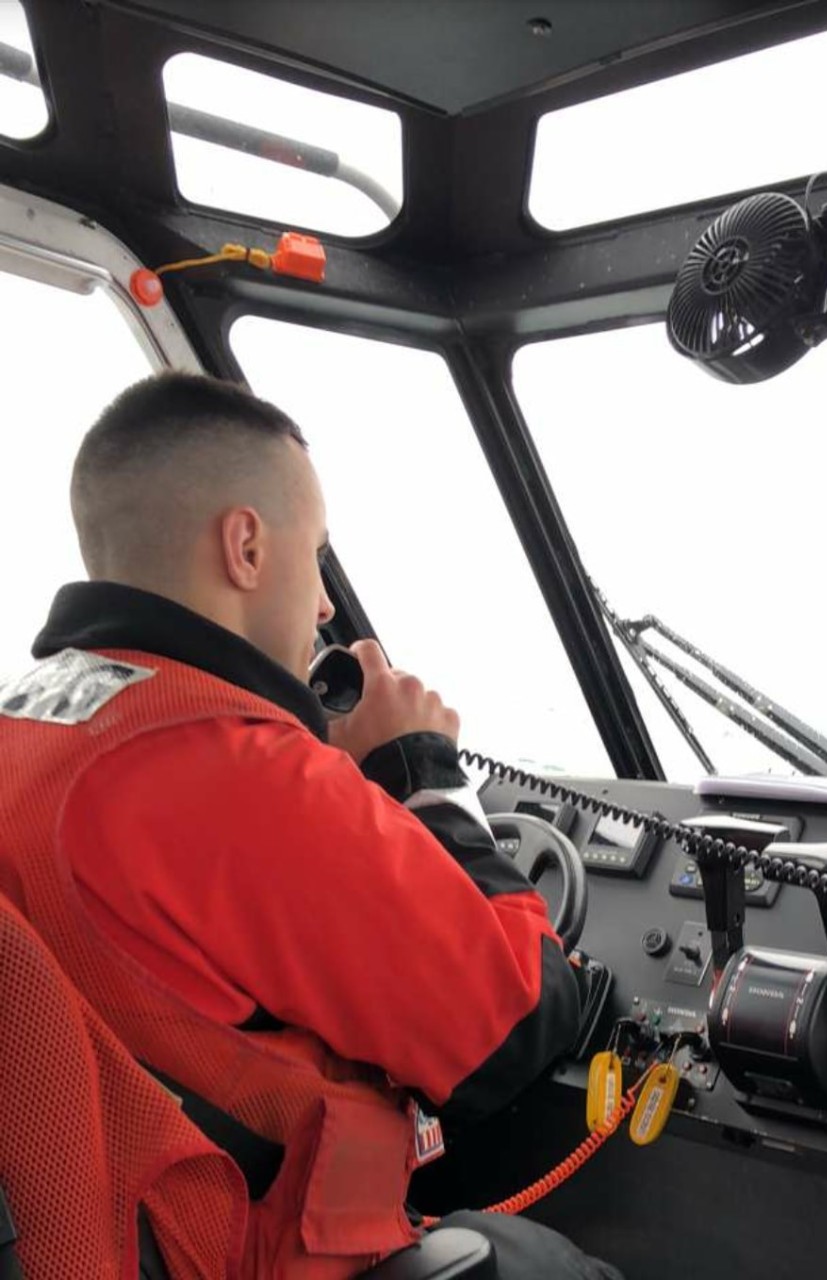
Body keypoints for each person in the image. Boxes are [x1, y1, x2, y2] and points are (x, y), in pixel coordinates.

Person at [0, 372, 623, 1280]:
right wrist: (423, 777)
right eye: (317, 554)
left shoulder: (28, 723)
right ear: (247, 545)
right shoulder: (231, 769)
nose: (326, 603)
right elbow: (513, 1029)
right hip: (237, 1250)